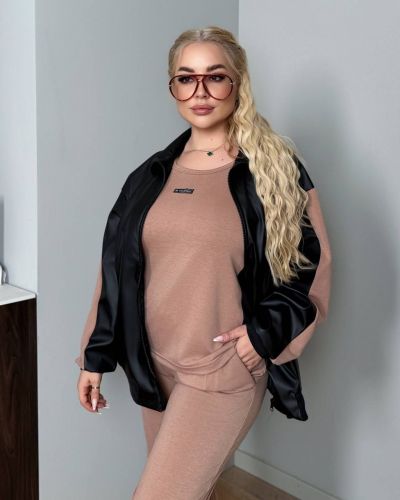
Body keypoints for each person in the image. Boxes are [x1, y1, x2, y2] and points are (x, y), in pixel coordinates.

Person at [75, 26, 332, 500]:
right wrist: (96, 356)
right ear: (172, 87)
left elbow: (313, 267)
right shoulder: (151, 174)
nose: (200, 91)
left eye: (215, 77)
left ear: (237, 83)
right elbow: (114, 270)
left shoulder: (274, 169)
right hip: (154, 365)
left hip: (220, 369)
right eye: (186, 78)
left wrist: (262, 335)